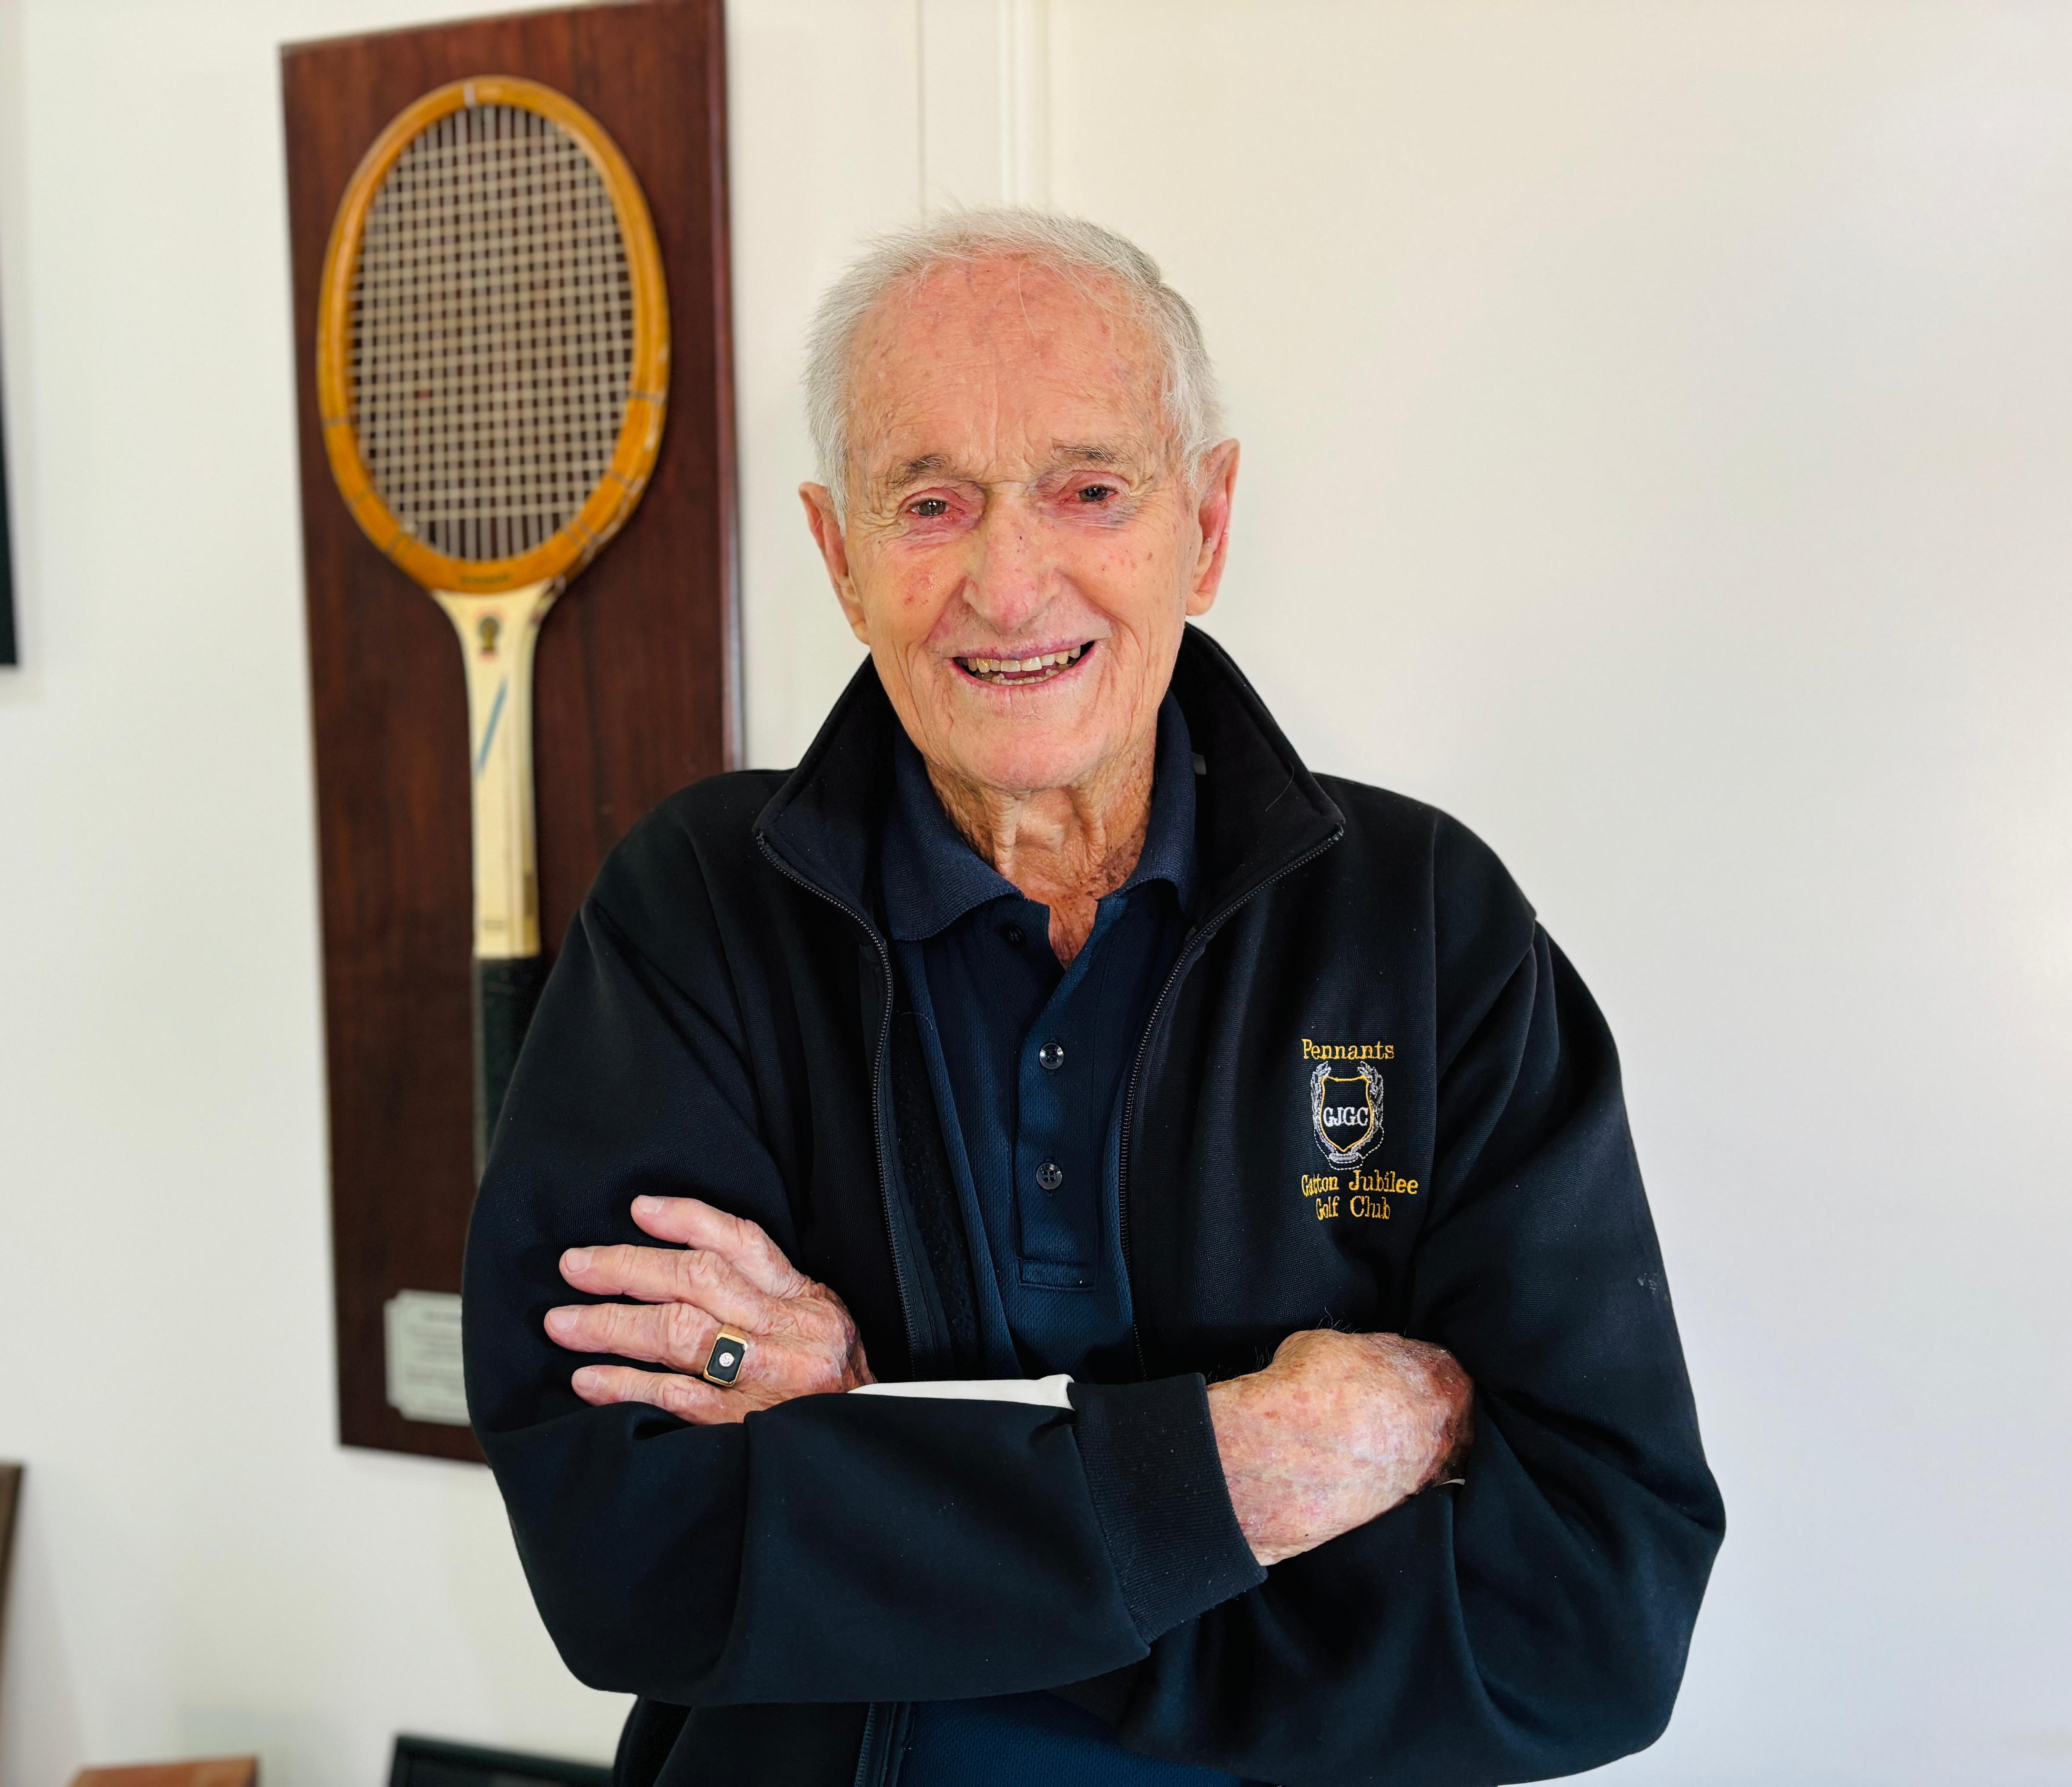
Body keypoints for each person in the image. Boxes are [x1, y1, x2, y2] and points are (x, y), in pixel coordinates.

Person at [463, 209, 1722, 1787]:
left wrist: (879, 1446)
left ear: (1205, 522)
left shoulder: (1425, 923)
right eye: (930, 502)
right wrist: (1251, 1479)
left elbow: (1599, 1622)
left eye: (1088, 490)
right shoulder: (698, 910)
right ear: (838, 555)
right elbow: (626, 1562)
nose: (1008, 580)